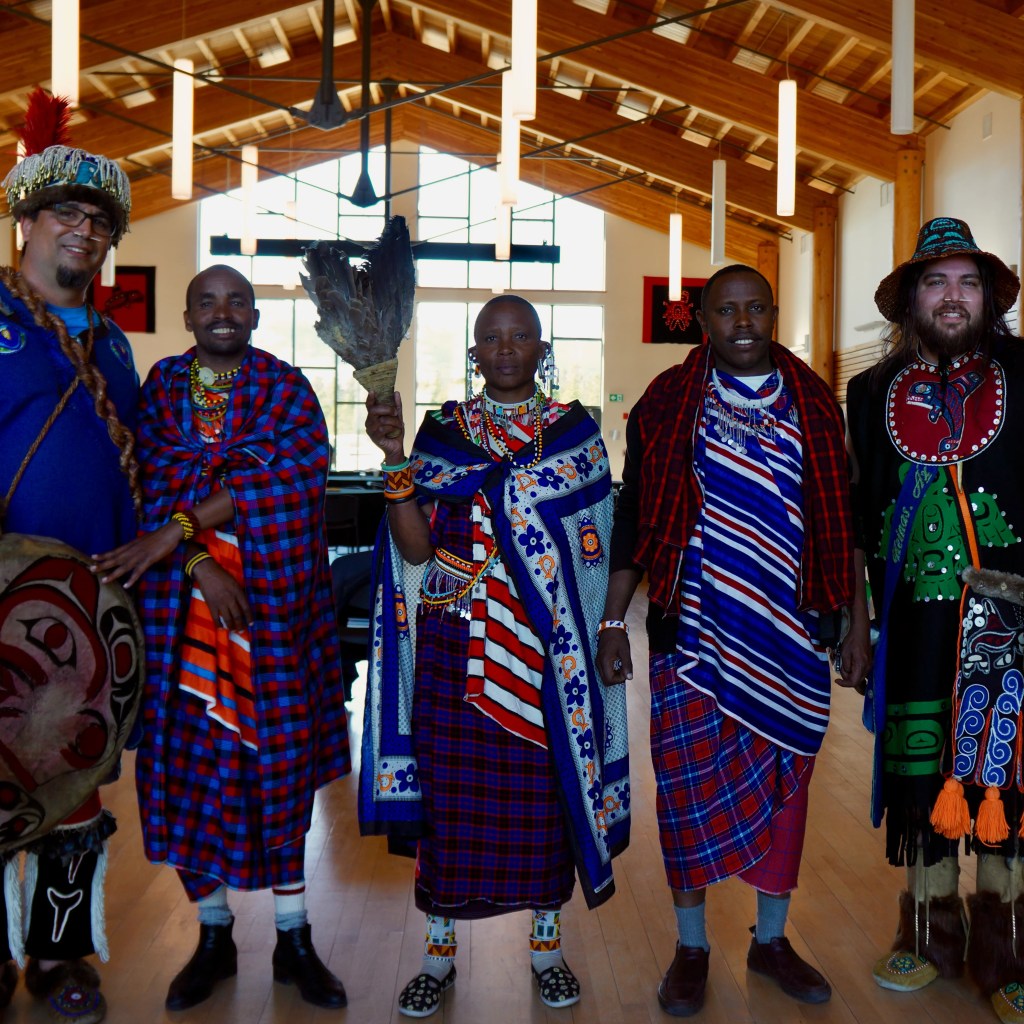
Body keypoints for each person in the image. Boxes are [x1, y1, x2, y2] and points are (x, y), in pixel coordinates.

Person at [597, 264, 863, 1016]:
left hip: (794, 635)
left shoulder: (815, 402)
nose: (742, 322)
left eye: (755, 308)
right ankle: (691, 946)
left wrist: (858, 625)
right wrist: (615, 619)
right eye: (726, 310)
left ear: (772, 314)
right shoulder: (665, 403)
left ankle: (771, 940)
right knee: (684, 791)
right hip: (697, 637)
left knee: (787, 791)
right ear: (702, 321)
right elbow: (633, 517)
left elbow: (847, 520)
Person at [359, 294, 629, 1017]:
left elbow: (599, 553)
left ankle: (547, 950)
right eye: (491, 339)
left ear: (543, 349)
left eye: (521, 337)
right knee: (449, 806)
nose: (506, 348)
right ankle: (438, 956)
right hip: (454, 647)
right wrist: (393, 459)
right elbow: (415, 547)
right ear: (475, 352)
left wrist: (607, 629)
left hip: (548, 652)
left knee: (544, 805)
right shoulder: (441, 433)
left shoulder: (576, 436)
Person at [91, 265, 351, 1010]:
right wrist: (200, 560)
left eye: (237, 300)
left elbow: (297, 477)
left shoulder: (287, 388)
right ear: (187, 312)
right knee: (188, 768)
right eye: (207, 300)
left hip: (272, 619)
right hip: (180, 623)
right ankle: (212, 933)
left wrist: (182, 528)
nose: (223, 312)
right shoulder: (162, 389)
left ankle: (295, 937)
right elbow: (147, 482)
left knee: (280, 767)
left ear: (258, 315)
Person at [846, 217, 1024, 1023]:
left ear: (987, 297)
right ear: (912, 300)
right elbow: (854, 514)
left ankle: (1007, 939)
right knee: (921, 768)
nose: (952, 298)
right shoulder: (871, 392)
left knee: (1005, 771)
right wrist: (856, 620)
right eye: (935, 283)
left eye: (967, 283)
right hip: (912, 618)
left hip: (1013, 618)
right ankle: (924, 927)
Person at [0, 93, 139, 1024]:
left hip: (90, 607)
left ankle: (57, 960)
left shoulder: (118, 343)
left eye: (99, 221)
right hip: (0, 592)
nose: (85, 232)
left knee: (74, 782)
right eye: (67, 215)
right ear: (24, 222)